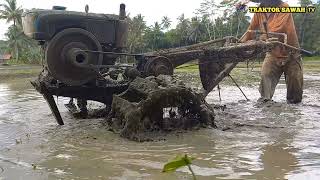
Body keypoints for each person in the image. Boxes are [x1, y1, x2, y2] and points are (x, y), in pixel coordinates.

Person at [241, 0, 303, 103]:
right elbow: (250, 30)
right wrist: (239, 43)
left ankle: (294, 113)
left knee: (295, 96)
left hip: (291, 53)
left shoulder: (284, 7)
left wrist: (261, 38)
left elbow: (278, 28)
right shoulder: (260, 10)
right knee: (266, 79)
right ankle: (266, 108)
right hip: (272, 54)